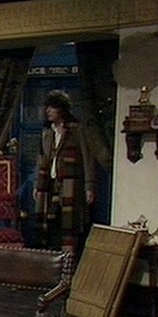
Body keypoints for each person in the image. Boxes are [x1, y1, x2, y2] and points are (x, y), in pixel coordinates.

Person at [33, 90, 96, 255]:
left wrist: (89, 186)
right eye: (47, 107)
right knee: (50, 222)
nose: (48, 111)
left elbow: (87, 158)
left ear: (61, 109)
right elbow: (41, 160)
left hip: (71, 185)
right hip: (50, 185)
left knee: (69, 223)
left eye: (52, 107)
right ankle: (53, 257)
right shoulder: (47, 133)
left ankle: (69, 258)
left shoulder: (76, 130)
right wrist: (37, 185)